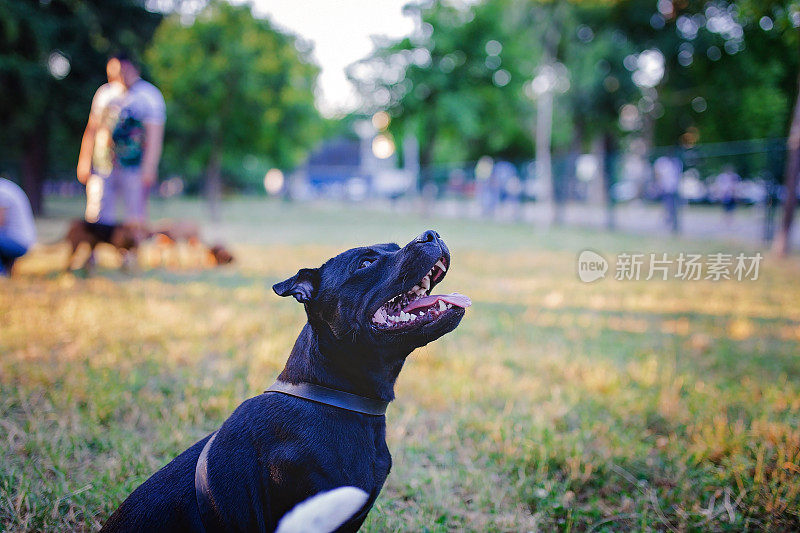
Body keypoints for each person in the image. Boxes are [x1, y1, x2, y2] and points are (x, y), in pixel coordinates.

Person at [76, 52, 165, 228]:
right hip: (103, 162)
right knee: (97, 209)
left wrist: (150, 167)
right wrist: (84, 160)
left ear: (134, 68)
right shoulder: (104, 93)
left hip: (134, 164)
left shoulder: (149, 95)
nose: (120, 75)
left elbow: (154, 136)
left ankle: (129, 253)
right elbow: (92, 129)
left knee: (135, 212)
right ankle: (95, 250)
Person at [0, 177, 36, 276]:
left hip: (18, 242)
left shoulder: (2, 191)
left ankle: (1, 274)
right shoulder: (5, 186)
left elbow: (0, 223)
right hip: (16, 239)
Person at [654, 154, 682, 234]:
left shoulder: (675, 162)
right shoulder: (664, 162)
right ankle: (669, 220)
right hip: (666, 188)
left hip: (672, 188)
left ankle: (669, 220)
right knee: (668, 205)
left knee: (671, 206)